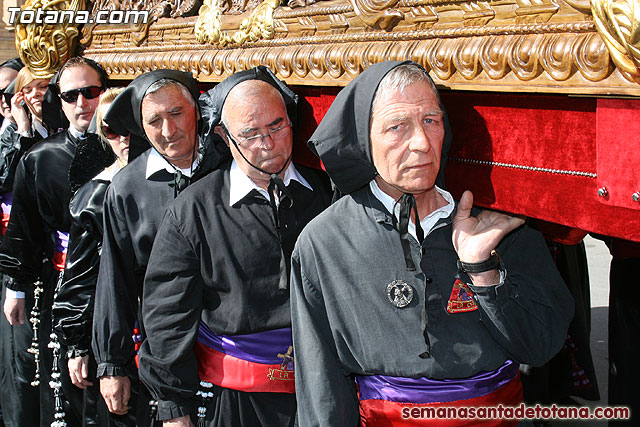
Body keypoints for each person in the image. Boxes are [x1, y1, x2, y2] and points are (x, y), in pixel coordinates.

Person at [290, 61, 574, 426]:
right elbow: (321, 383)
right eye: (397, 127)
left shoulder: (498, 224)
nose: (422, 144)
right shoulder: (324, 242)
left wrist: (481, 268)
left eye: (431, 121)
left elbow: (539, 348)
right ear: (365, 140)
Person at [138, 66, 331, 426]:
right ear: (225, 137)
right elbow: (167, 315)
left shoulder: (328, 195)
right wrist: (173, 408)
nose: (268, 143)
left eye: (277, 126)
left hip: (326, 391)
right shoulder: (192, 212)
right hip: (238, 402)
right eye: (251, 134)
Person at [92, 70, 223, 426]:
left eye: (177, 113)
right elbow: (115, 280)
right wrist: (112, 364)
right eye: (154, 121)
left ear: (196, 109)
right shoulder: (127, 188)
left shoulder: (230, 167)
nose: (169, 131)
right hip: (167, 355)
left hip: (234, 356)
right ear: (139, 125)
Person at [0, 56, 108, 427]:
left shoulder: (133, 152)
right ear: (58, 101)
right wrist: (16, 286)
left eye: (91, 92)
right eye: (71, 95)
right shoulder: (39, 157)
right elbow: (24, 227)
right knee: (61, 386)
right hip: (59, 287)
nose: (82, 104)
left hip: (116, 288)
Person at [52, 87, 135, 426]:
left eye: (129, 126)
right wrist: (77, 346)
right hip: (110, 334)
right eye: (111, 130)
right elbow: (80, 276)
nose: (123, 138)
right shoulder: (97, 194)